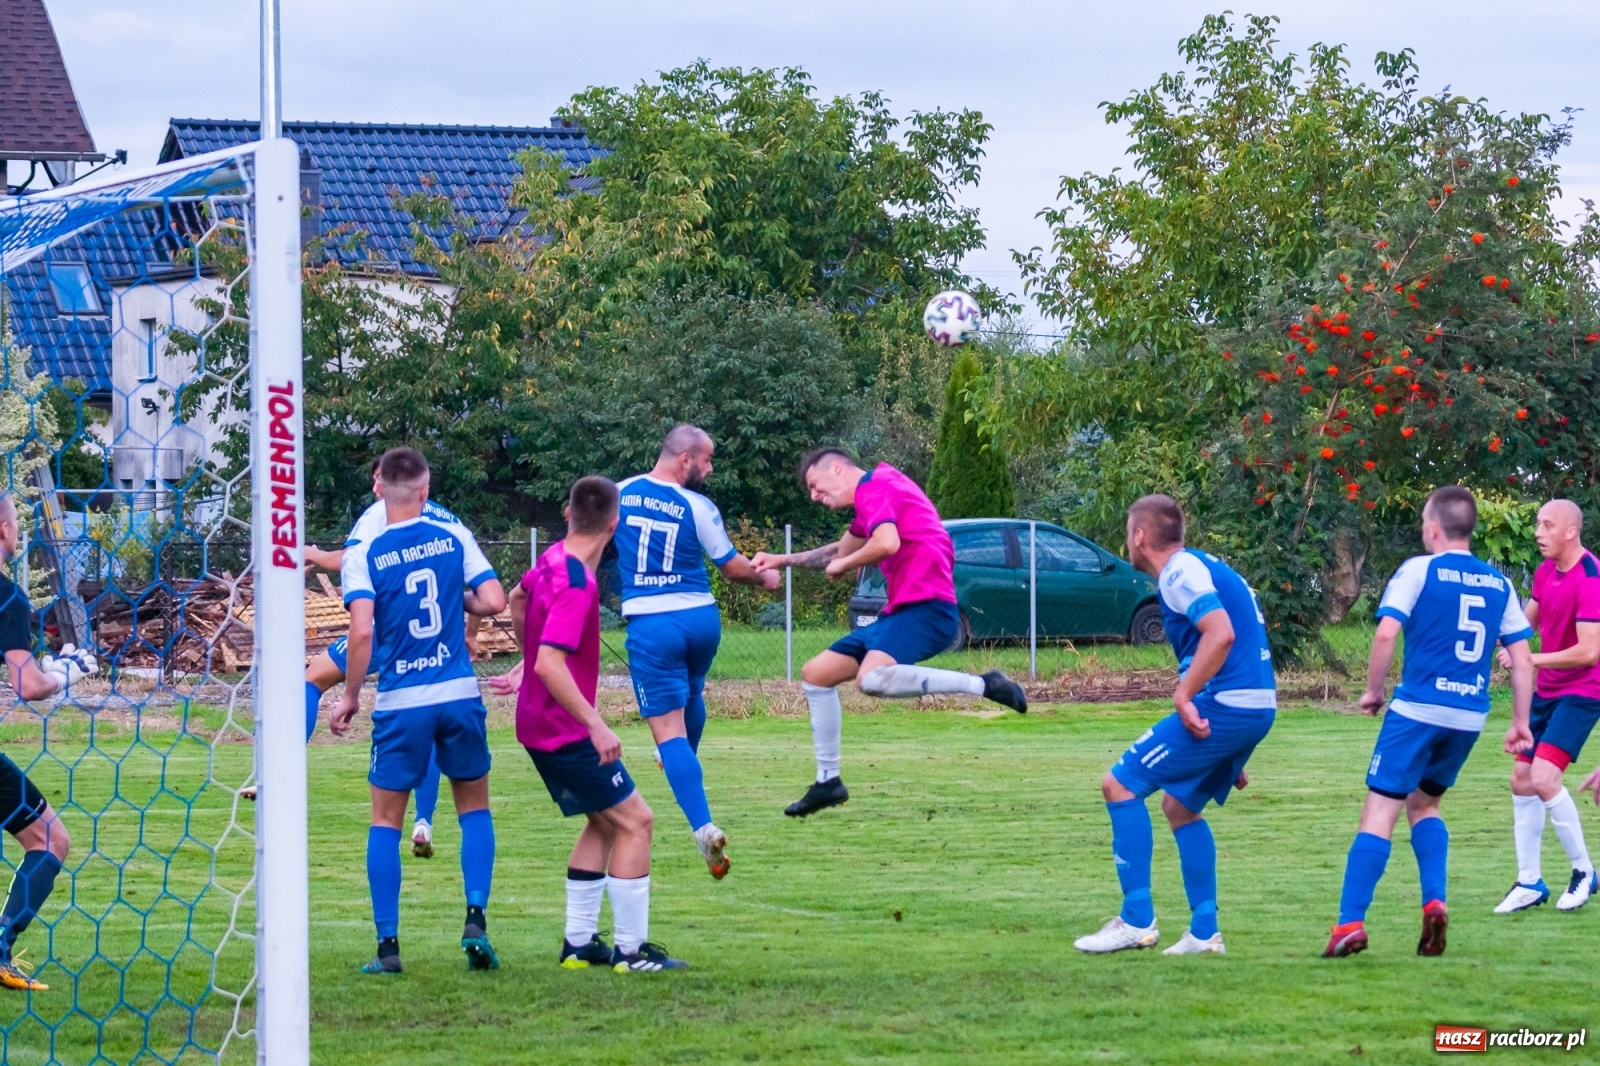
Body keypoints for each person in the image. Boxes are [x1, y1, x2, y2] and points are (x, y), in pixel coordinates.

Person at [750, 448, 1026, 818]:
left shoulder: (875, 486)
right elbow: (838, 553)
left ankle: (984, 684)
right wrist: (782, 560)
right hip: (899, 612)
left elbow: (886, 544)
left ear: (836, 467)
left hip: (928, 609)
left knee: (873, 679)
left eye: (815, 486)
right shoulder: (875, 496)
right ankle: (828, 782)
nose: (814, 496)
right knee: (816, 674)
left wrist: (846, 564)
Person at [1324, 487, 1534, 958]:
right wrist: (1520, 722)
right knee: (1425, 805)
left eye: (1423, 521)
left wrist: (1374, 692)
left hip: (1417, 709)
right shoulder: (1499, 583)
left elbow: (1386, 631)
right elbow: (1522, 659)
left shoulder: (1419, 569)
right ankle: (1434, 901)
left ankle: (1349, 924)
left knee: (1380, 811)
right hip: (1468, 716)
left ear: (1434, 527)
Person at [1073, 494, 1276, 956]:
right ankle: (1205, 933)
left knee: (1119, 785)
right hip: (1252, 706)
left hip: (1229, 704)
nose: (1128, 541)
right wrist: (1229, 743)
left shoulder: (1180, 573)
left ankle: (1136, 920)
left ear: (1139, 536)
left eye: (1128, 532)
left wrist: (1184, 696)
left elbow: (1221, 633)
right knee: (1180, 808)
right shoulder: (1203, 566)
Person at [499, 475, 686, 972]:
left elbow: (517, 599)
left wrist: (527, 654)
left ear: (567, 514)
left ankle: (578, 946)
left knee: (603, 822)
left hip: (536, 725)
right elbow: (550, 666)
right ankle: (631, 953)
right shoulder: (577, 583)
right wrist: (597, 725)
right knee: (636, 821)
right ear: (615, 524)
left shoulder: (550, 560)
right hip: (565, 731)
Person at [331, 449, 507, 975]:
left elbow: (362, 631)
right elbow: (495, 600)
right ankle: (475, 918)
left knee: (386, 821)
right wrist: (460, 600)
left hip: (403, 700)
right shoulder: (453, 537)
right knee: (474, 808)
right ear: (427, 492)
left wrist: (351, 695)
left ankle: (388, 949)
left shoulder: (364, 550)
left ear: (379, 488)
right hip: (457, 691)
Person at [613, 425, 780, 879]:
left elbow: (583, 523)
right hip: (701, 621)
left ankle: (703, 826)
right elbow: (731, 568)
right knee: (693, 692)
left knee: (669, 732)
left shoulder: (619, 493)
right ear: (685, 459)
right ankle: (679, 757)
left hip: (653, 624)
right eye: (706, 460)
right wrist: (762, 576)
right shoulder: (698, 506)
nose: (709, 468)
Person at [288, 458, 458, 858]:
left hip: (387, 625)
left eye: (377, 476)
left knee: (313, 678)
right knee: (430, 718)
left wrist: (313, 552)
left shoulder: (378, 513)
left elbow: (352, 561)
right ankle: (424, 819)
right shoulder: (446, 521)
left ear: (384, 484)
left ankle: (282, 774)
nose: (374, 483)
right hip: (436, 633)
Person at [0, 494, 94, 991]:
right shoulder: (7, 596)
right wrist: (68, 672)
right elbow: (29, 686)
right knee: (51, 839)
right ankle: (0, 948)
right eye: (17, 521)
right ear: (2, 529)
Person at [1493, 499, 1600, 913]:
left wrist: (1529, 659)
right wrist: (1500, 638)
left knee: (1543, 777)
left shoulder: (1591, 577)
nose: (1538, 532)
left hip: (1583, 693)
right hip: (1547, 692)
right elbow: (1526, 624)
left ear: (1570, 531)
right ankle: (1529, 882)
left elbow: (1590, 652)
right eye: (1538, 523)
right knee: (1521, 780)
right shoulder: (1543, 571)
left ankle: (1583, 871)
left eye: (1547, 525)